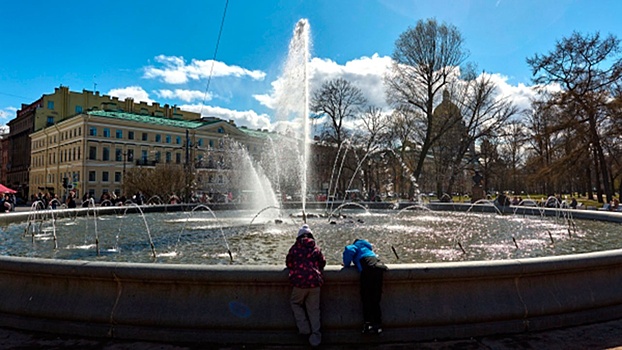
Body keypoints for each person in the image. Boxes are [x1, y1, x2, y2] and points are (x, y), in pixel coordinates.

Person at [285, 224, 326, 347]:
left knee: (295, 303)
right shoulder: (316, 248)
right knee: (314, 310)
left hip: (299, 282)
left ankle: (304, 328)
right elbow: (322, 262)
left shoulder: (295, 248)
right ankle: (316, 337)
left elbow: (288, 263)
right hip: (314, 282)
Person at [343, 239, 387, 334]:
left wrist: (346, 264)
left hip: (367, 269)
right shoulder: (368, 248)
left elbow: (349, 250)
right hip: (378, 267)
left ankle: (368, 325)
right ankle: (378, 325)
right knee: (376, 299)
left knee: (366, 298)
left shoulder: (355, 246)